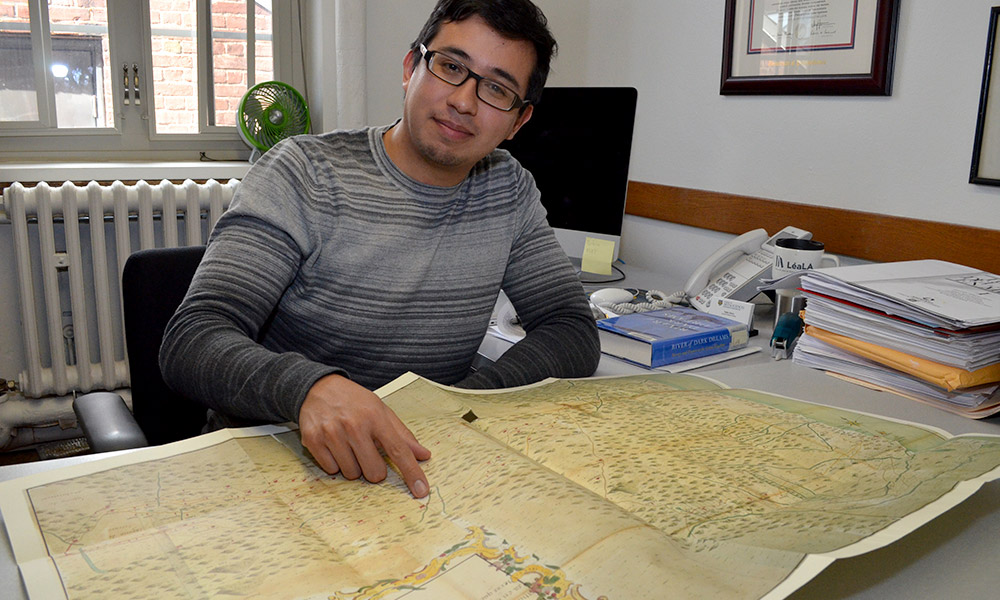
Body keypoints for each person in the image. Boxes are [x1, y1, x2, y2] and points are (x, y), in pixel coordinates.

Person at [159, 0, 600, 500]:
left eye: (497, 89)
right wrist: (309, 389)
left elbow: (571, 327)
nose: (463, 101)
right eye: (451, 67)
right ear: (411, 67)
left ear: (518, 122)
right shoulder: (303, 172)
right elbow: (193, 338)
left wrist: (460, 405)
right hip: (277, 465)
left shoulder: (510, 190)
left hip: (422, 464)